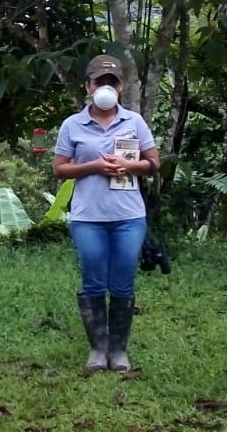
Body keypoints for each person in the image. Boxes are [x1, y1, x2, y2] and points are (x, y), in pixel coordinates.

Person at [53, 55, 160, 372]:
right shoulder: (73, 125)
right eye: (99, 81)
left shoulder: (134, 122)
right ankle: (98, 349)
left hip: (128, 216)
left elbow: (154, 162)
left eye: (111, 82)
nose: (105, 87)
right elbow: (60, 169)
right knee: (93, 280)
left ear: (121, 87)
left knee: (123, 282)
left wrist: (131, 165)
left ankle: (119, 349)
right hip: (88, 217)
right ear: (88, 86)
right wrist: (94, 167)